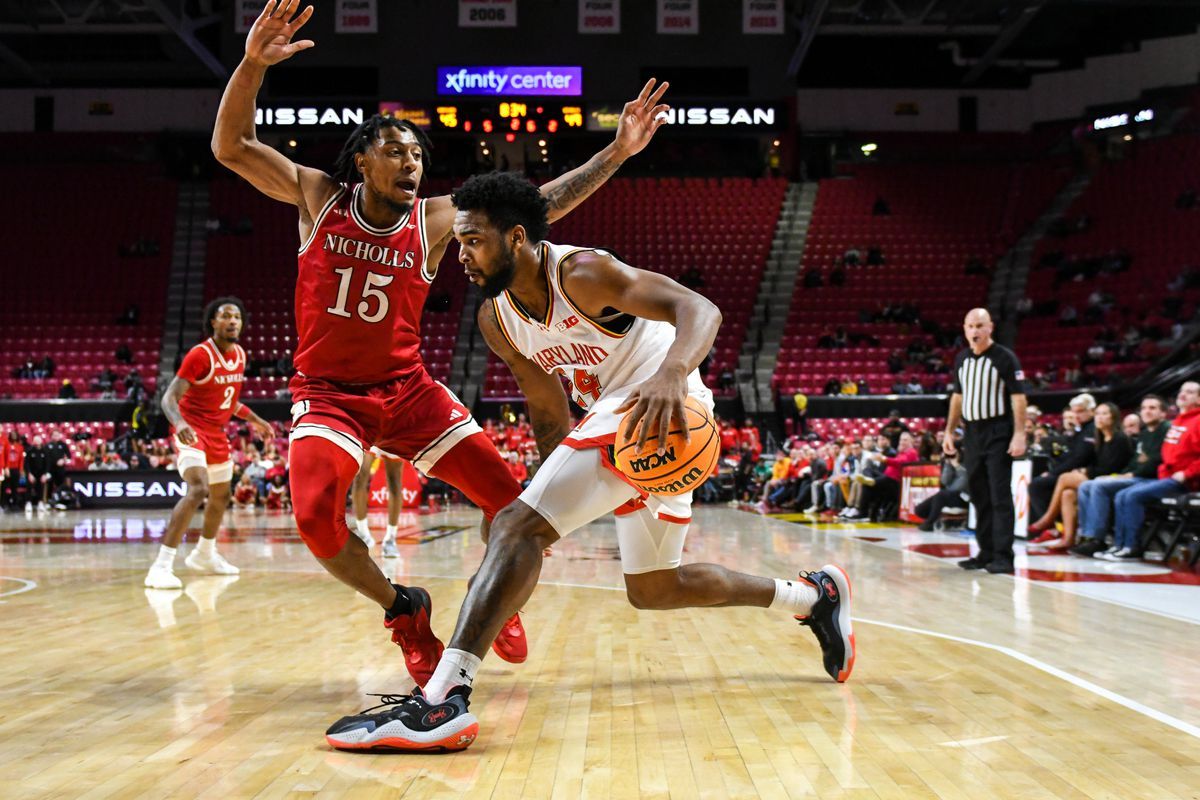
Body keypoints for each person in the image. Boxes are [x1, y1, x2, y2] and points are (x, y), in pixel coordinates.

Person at [212, 0, 671, 686]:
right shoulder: (318, 197)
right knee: (314, 518)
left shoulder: (434, 222)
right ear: (362, 160)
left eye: (418, 154)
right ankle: (405, 611)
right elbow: (231, 148)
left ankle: (497, 597)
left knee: (513, 507)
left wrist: (616, 151)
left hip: (408, 393)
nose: (412, 162)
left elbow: (534, 206)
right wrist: (251, 65)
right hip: (329, 398)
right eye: (396, 150)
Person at [323, 172, 855, 752]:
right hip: (619, 424)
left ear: (516, 238)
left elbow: (697, 307)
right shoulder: (497, 321)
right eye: (459, 243)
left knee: (513, 524)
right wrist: (550, 502)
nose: (462, 256)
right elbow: (549, 411)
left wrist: (673, 373)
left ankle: (443, 700)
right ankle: (814, 596)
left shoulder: (582, 273)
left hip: (661, 409)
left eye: (473, 241)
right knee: (654, 588)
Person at [144, 298, 274, 590]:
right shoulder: (200, 355)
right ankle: (161, 566)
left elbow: (227, 399)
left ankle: (205, 554)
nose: (232, 321)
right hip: (190, 428)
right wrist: (180, 424)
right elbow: (169, 397)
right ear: (212, 322)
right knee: (199, 488)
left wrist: (254, 419)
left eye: (237, 317)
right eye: (226, 316)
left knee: (221, 495)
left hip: (216, 431)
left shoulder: (240, 354)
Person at [944, 309, 1027, 574]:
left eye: (980, 325)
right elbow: (957, 397)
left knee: (1000, 494)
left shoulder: (1004, 357)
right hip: (972, 433)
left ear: (990, 327)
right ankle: (985, 552)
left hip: (999, 430)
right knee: (978, 494)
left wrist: (1019, 433)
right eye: (970, 326)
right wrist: (949, 431)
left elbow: (1019, 398)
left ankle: (1004, 556)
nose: (975, 331)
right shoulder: (962, 359)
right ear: (965, 328)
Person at [1093, 382, 1200, 560]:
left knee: (1132, 496)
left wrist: (1187, 473)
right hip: (1167, 478)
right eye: (1182, 391)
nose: (1183, 394)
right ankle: (1119, 545)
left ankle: (1132, 547)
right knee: (1122, 495)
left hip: (1185, 482)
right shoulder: (1179, 421)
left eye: (1190, 392)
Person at [1071, 395, 1169, 556]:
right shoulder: (1145, 434)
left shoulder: (1166, 430)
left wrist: (1129, 474)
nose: (1147, 411)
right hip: (1137, 476)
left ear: (1163, 413)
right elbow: (1136, 461)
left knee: (1098, 486)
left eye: (1152, 408)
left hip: (1151, 479)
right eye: (1144, 408)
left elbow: (1156, 461)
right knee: (1086, 485)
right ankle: (1086, 536)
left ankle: (1097, 539)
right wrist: (1120, 475)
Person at [1026, 402, 1132, 550]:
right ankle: (1068, 538)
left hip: (1113, 479)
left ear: (1114, 417)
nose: (1099, 418)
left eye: (1104, 414)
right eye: (1098, 414)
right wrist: (1085, 471)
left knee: (1064, 478)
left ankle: (1048, 518)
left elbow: (1112, 467)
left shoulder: (1119, 438)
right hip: (1097, 477)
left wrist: (1086, 471)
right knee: (1068, 494)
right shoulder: (1100, 437)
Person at [1028, 394, 1096, 524]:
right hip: (1076, 470)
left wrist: (1053, 472)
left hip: (1086, 471)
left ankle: (1051, 524)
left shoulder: (1091, 430)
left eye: (1080, 411)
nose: (1076, 415)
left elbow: (1080, 458)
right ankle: (1056, 526)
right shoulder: (1081, 430)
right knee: (1045, 485)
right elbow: (1072, 455)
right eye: (1074, 412)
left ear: (1091, 411)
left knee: (1037, 485)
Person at [348, 454, 405, 558]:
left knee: (394, 482)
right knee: (360, 476)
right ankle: (363, 534)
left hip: (392, 438)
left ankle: (390, 539)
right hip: (372, 439)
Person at [915, 449, 968, 531]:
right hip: (948, 495)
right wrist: (947, 464)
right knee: (919, 510)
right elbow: (944, 481)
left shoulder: (967, 464)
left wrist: (957, 466)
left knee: (941, 495)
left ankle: (930, 523)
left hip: (964, 498)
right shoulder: (950, 464)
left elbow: (959, 485)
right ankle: (942, 520)